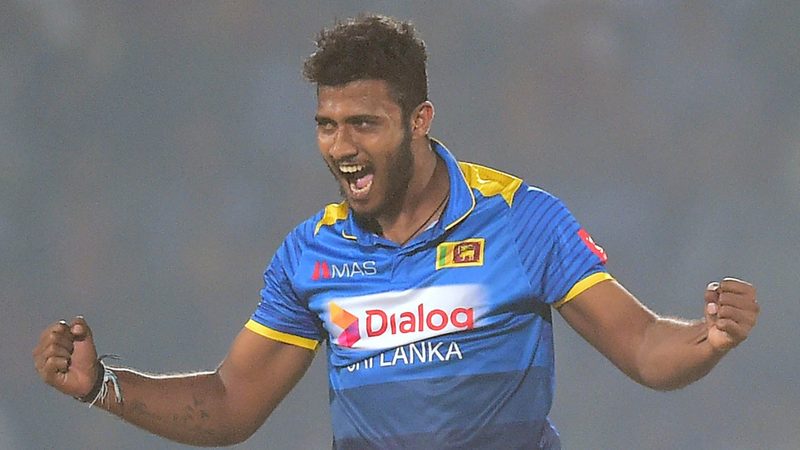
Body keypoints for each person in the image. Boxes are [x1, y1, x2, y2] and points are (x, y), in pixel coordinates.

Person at [33, 14, 759, 449]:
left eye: (363, 124)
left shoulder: (519, 218)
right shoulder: (308, 255)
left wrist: (709, 338)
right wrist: (103, 386)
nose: (342, 147)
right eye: (327, 125)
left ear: (419, 121)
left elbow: (642, 347)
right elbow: (230, 403)